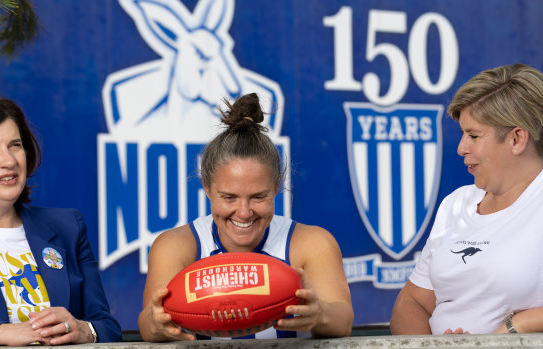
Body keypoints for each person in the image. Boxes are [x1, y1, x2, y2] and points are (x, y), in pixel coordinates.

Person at [138, 93, 353, 341]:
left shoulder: (312, 243)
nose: (243, 212)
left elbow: (343, 320)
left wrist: (321, 313)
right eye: (229, 197)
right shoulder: (176, 246)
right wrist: (157, 323)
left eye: (258, 197)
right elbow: (148, 323)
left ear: (276, 186)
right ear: (207, 187)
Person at [0, 95, 122, 347]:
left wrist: (84, 330)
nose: (9, 161)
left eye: (15, 146)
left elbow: (106, 326)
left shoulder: (67, 227)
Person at [390, 63, 543, 335]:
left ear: (517, 138)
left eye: (473, 135)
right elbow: (411, 302)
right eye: (462, 134)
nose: (461, 148)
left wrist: (513, 328)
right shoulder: (455, 203)